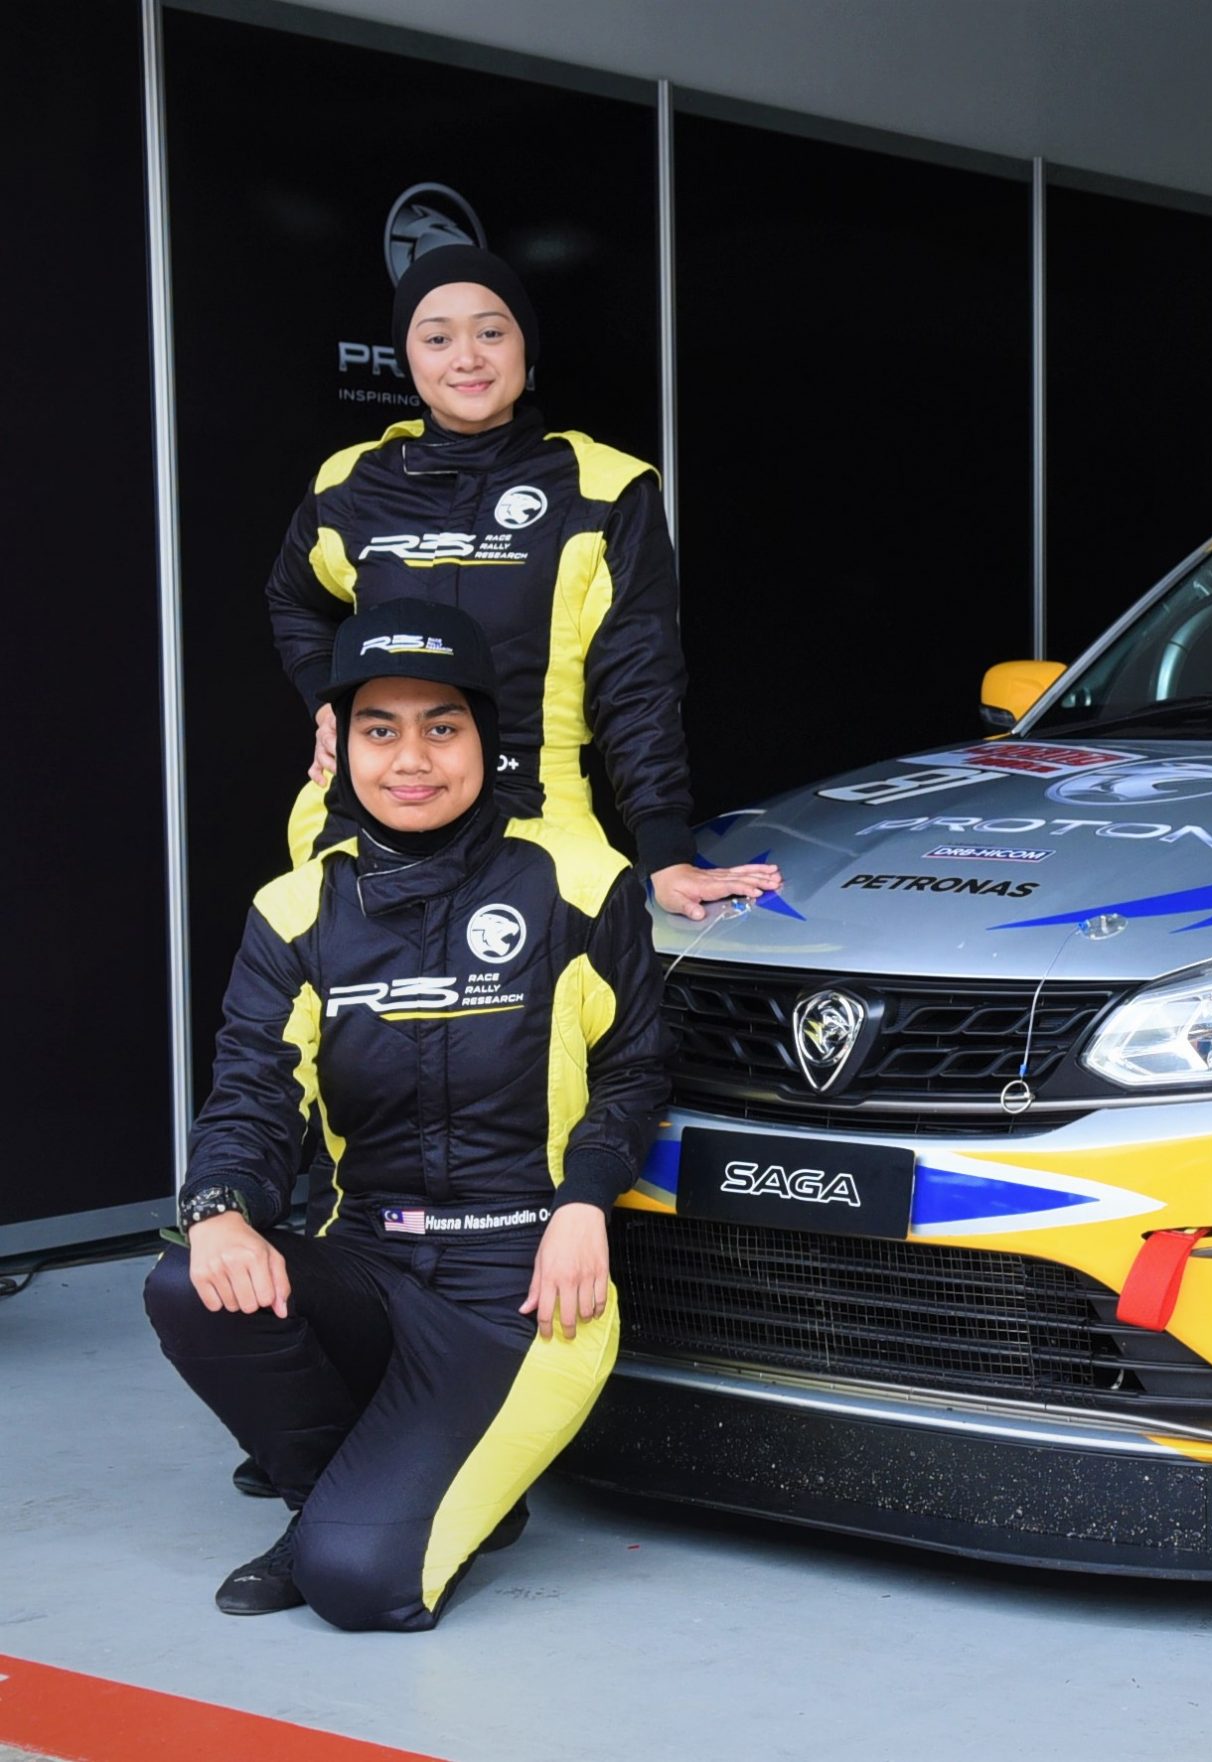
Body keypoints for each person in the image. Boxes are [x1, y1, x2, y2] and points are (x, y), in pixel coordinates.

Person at [143, 599, 667, 1630]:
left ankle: (361, 1526)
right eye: (379, 729)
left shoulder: (581, 885)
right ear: (340, 747)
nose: (412, 759)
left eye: (442, 725)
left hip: (525, 1288)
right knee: (189, 1282)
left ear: (486, 739)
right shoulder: (294, 911)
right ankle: (327, 1503)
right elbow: (253, 1092)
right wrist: (220, 1208)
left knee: (358, 1584)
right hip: (371, 1265)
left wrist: (585, 1201)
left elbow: (635, 1069)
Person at [266, 241, 779, 924]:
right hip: (361, 822)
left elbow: (638, 683)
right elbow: (295, 599)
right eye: (438, 338)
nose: (466, 358)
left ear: (524, 347)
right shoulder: (350, 484)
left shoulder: (603, 490)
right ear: (406, 355)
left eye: (490, 332)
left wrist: (665, 850)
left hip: (536, 816)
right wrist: (325, 700)